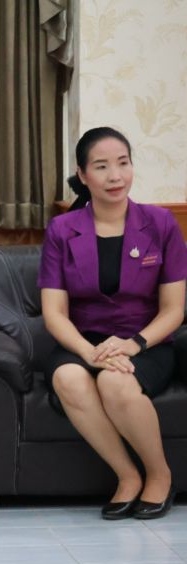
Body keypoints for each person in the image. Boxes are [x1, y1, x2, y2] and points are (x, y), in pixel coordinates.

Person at [40, 126, 186, 520]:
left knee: (115, 381)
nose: (115, 176)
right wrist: (90, 352)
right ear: (83, 174)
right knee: (69, 378)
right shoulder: (62, 230)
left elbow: (174, 309)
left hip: (147, 341)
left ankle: (160, 475)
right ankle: (127, 476)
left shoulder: (160, 223)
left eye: (123, 163)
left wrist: (134, 344)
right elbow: (54, 312)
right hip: (83, 340)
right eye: (102, 166)